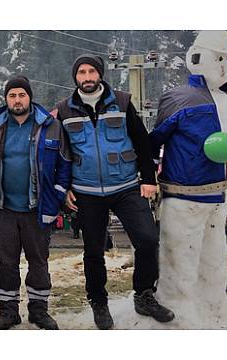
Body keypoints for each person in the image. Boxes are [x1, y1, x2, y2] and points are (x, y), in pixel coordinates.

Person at [56, 54, 174, 329]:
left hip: (125, 187)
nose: (87, 77)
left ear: (100, 74)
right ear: (75, 77)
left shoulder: (121, 102)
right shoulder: (64, 110)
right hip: (86, 192)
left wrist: (148, 178)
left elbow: (142, 142)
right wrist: (65, 189)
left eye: (91, 71)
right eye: (81, 72)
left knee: (147, 240)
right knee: (93, 251)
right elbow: (60, 154)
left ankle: (144, 294)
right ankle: (98, 302)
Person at [150, 30, 227, 325]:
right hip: (183, 192)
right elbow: (154, 142)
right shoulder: (177, 98)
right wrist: (148, 175)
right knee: (180, 256)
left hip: (220, 193)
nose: (222, 66)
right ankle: (178, 305)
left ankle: (213, 301)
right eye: (217, 58)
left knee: (214, 256)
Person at [0, 76, 70, 330]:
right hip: (4, 209)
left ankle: (39, 310)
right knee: (6, 263)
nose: (17, 100)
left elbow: (64, 165)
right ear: (6, 99)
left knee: (39, 261)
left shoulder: (50, 126)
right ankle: (8, 311)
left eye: (22, 95)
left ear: (30, 97)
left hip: (37, 208)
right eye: (12, 95)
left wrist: (56, 196)